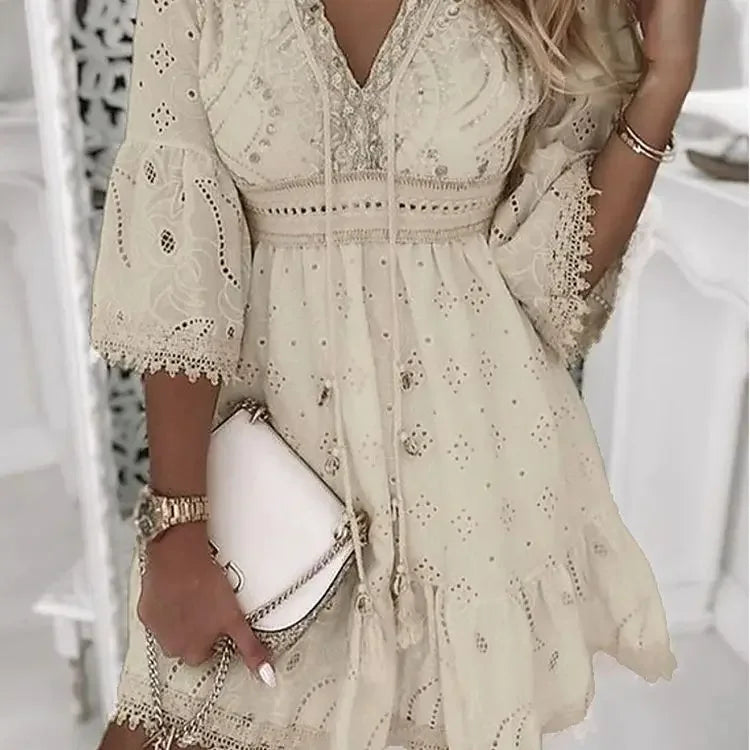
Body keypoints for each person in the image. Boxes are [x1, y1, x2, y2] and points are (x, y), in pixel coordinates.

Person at [90, 0, 704, 748]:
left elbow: (551, 280)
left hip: (469, 489)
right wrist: (179, 526)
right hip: (272, 499)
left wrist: (668, 78)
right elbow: (179, 260)